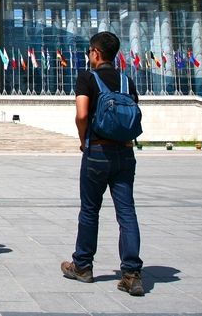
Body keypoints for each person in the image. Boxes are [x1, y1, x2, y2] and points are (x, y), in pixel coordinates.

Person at [61, 31, 144, 297]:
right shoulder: (126, 80)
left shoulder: (88, 77)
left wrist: (83, 140)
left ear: (96, 53)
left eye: (89, 52)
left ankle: (83, 266)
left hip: (97, 151)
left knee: (89, 211)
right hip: (125, 153)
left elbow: (82, 114)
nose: (89, 57)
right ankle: (131, 274)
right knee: (127, 212)